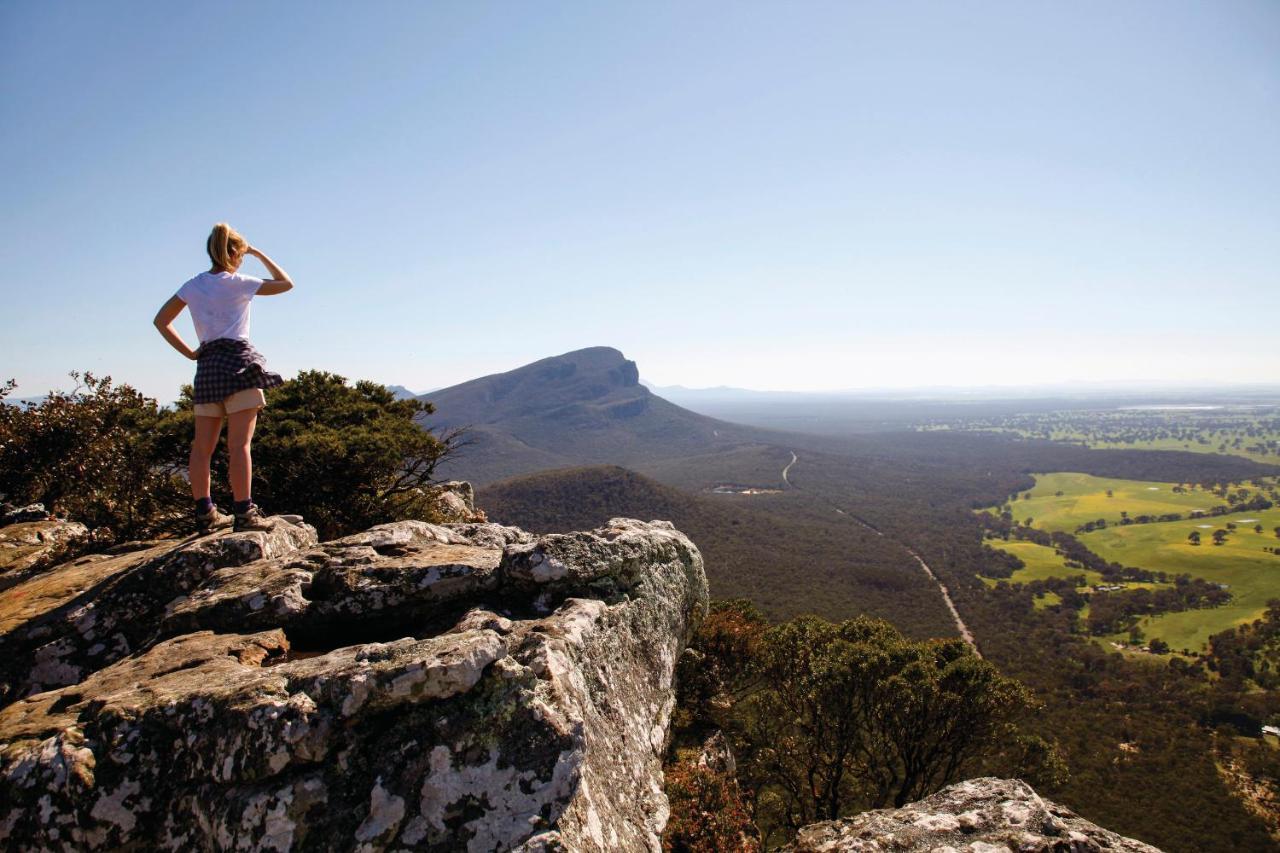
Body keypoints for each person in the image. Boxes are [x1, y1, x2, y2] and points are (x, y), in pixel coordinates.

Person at [153, 222, 294, 532]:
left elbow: (161, 321)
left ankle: (205, 513)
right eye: (242, 254)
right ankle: (244, 513)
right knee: (239, 445)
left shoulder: (193, 285)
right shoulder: (239, 282)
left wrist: (191, 353)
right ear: (234, 252)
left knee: (201, 447)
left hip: (208, 368)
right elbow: (286, 283)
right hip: (240, 367)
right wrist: (259, 254)